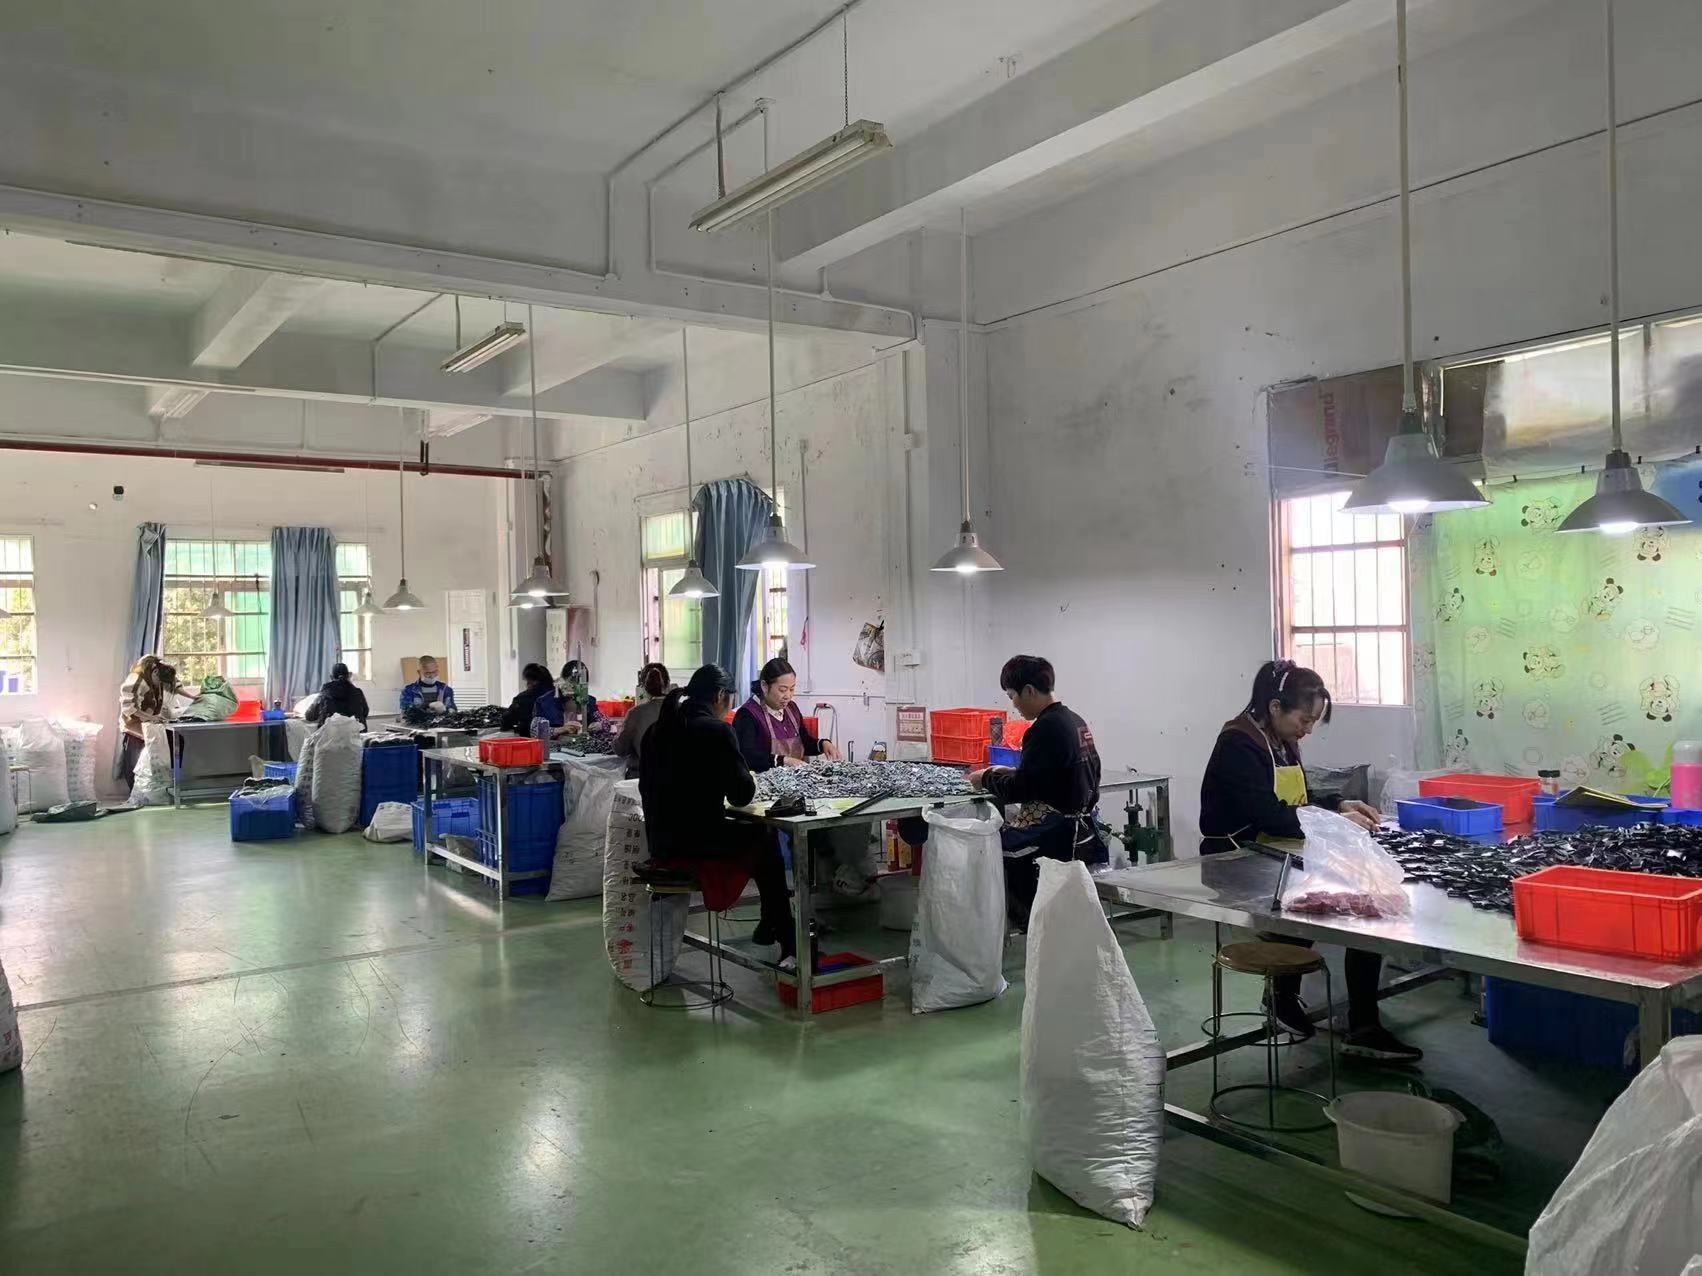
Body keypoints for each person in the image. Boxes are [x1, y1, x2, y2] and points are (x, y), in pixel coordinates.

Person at [1198, 659, 1419, 1063]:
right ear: (1275, 707)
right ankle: (1290, 999)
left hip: (1278, 852)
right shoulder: (1239, 744)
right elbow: (1269, 814)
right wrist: (1334, 822)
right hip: (1236, 860)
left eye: (1313, 721)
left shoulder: (1282, 741)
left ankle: (1355, 1019)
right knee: (1325, 905)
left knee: (1363, 903)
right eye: (1304, 719)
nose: (1308, 730)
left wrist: (1339, 804)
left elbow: (1296, 800)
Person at [638, 664, 796, 962]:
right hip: (697, 846)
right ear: (721, 695)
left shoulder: (656, 732)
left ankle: (770, 924)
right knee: (765, 836)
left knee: (755, 836)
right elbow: (741, 795)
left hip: (661, 844)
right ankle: (787, 938)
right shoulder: (717, 731)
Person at [968, 655, 1105, 929]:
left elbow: (1020, 790)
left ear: (1029, 690)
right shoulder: (1074, 721)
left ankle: (1021, 924)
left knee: (985, 849)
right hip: (1083, 827)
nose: (1014, 705)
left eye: (1012, 696)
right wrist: (1009, 772)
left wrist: (985, 778)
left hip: (1055, 835)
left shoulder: (1045, 728)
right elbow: (1064, 773)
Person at [733, 658, 841, 772]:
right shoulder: (747, 715)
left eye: (792, 689)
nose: (788, 696)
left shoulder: (791, 708)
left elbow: (804, 742)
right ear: (764, 686)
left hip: (793, 778)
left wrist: (823, 744)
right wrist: (783, 761)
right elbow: (747, 757)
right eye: (782, 690)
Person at [118, 655, 178, 792]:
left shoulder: (158, 675)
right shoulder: (137, 679)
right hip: (134, 728)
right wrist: (151, 717)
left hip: (148, 726)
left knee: (150, 762)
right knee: (134, 763)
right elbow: (129, 708)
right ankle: (134, 794)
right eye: (159, 681)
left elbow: (172, 687)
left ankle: (151, 792)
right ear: (155, 672)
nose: (159, 685)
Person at [614, 662, 670, 779]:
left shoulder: (636, 713)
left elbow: (621, 749)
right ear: (668, 684)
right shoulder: (685, 710)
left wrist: (618, 732)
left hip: (644, 780)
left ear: (643, 687)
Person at [500, 662, 563, 735]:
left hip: (530, 738)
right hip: (562, 735)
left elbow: (506, 720)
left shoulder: (522, 699)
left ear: (531, 681)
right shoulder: (561, 695)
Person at [305, 663, 369, 729]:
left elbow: (310, 716)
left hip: (331, 734)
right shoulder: (357, 692)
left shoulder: (325, 692)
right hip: (356, 734)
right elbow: (365, 713)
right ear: (348, 676)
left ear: (331, 677)